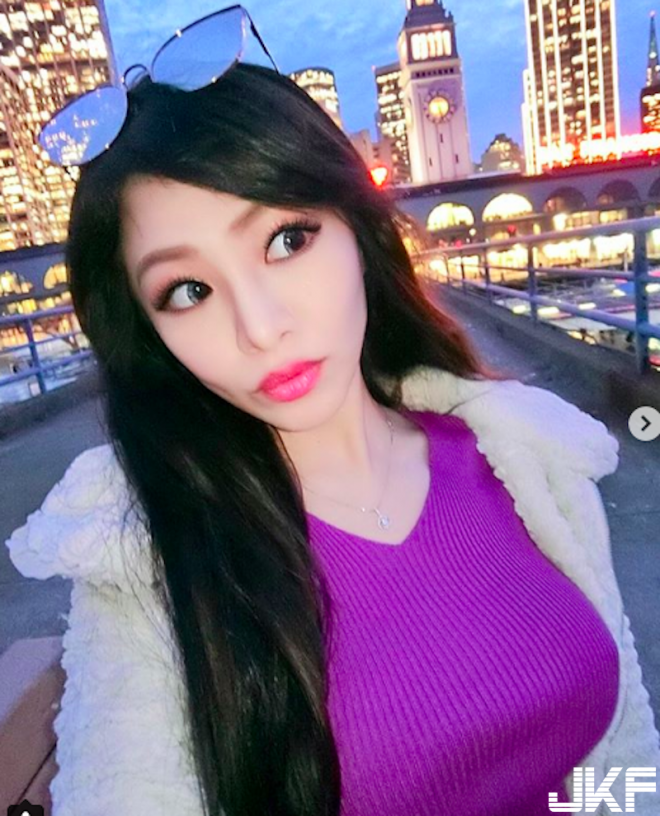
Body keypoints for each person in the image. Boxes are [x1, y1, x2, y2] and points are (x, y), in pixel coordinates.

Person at [5, 6, 660, 816]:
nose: (260, 327)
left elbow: (619, 756)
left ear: (359, 229)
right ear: (148, 335)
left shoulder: (527, 453)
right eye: (189, 291)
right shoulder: (148, 560)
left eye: (287, 241)